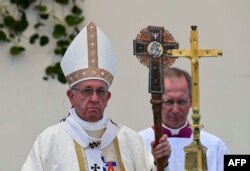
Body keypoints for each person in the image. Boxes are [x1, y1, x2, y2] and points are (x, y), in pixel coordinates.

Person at [21, 21, 171, 171]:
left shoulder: (129, 140)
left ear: (108, 98)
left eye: (100, 91)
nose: (94, 98)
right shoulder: (50, 141)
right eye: (87, 91)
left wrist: (161, 163)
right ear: (71, 96)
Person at [139, 67, 230, 171]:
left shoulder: (215, 146)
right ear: (158, 102)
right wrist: (158, 164)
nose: (175, 109)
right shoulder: (138, 142)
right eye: (168, 101)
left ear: (191, 102)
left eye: (182, 101)